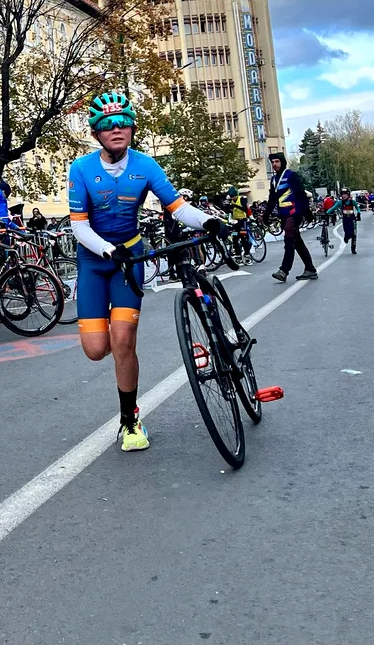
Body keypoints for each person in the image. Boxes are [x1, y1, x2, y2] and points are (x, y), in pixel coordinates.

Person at [68, 91, 231, 452]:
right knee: (96, 349)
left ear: (132, 129)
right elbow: (79, 226)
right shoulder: (81, 169)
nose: (116, 129)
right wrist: (107, 249)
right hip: (95, 261)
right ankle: (112, 344)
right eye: (107, 124)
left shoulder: (146, 165)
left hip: (130, 260)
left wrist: (209, 221)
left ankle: (130, 420)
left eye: (123, 122)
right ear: (95, 133)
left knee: (124, 340)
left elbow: (178, 207)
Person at [263, 152, 317, 282]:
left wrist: (307, 213)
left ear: (282, 162)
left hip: (294, 214)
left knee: (288, 241)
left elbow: (301, 194)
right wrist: (266, 214)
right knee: (297, 243)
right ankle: (310, 269)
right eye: (272, 162)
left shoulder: (291, 175)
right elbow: (272, 199)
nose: (274, 164)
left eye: (277, 161)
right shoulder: (274, 180)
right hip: (284, 216)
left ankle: (284, 270)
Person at [326, 188, 360, 254]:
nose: (344, 196)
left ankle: (353, 249)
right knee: (347, 232)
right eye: (343, 194)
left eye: (345, 194)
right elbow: (333, 208)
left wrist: (358, 213)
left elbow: (357, 207)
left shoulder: (352, 202)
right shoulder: (340, 202)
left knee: (353, 234)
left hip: (352, 219)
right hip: (345, 219)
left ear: (348, 195)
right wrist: (326, 213)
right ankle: (346, 237)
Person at [225, 186, 252, 265]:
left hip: (242, 221)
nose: (233, 198)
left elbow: (245, 208)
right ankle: (238, 256)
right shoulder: (231, 201)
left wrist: (235, 206)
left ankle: (247, 256)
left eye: (233, 196)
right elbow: (228, 210)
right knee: (235, 239)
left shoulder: (242, 199)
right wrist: (227, 206)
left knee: (244, 238)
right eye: (231, 197)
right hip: (235, 222)